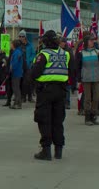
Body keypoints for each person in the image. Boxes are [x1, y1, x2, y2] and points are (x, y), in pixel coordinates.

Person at [31, 30, 71, 161]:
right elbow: (72, 71)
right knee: (58, 120)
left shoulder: (43, 55)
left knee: (44, 119)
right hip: (61, 91)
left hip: (46, 91)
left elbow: (35, 73)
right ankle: (58, 150)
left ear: (46, 41)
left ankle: (46, 150)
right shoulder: (65, 54)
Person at [76, 35, 99, 126]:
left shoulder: (97, 52)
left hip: (96, 78)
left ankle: (93, 116)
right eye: (90, 41)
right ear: (86, 42)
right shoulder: (81, 53)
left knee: (96, 97)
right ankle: (87, 118)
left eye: (93, 41)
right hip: (86, 78)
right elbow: (78, 67)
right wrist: (78, 79)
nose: (92, 42)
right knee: (88, 98)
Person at [18, 30, 36, 103]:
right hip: (20, 66)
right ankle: (22, 97)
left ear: (25, 37)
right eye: (20, 36)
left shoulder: (30, 45)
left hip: (28, 66)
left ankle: (30, 97)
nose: (21, 38)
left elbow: (33, 54)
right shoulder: (18, 45)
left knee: (28, 82)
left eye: (22, 36)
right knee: (20, 82)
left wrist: (29, 60)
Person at [59, 37, 75, 110]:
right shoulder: (57, 50)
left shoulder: (69, 50)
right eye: (60, 42)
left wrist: (71, 72)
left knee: (67, 88)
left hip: (67, 71)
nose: (61, 43)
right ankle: (61, 102)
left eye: (62, 42)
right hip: (59, 72)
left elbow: (72, 61)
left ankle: (67, 102)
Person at [10, 39, 24, 109]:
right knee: (16, 88)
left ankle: (18, 103)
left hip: (16, 72)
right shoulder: (17, 51)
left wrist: (11, 69)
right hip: (17, 72)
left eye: (11, 44)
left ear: (14, 45)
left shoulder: (17, 52)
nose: (10, 45)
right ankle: (17, 103)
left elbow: (15, 63)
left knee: (16, 88)